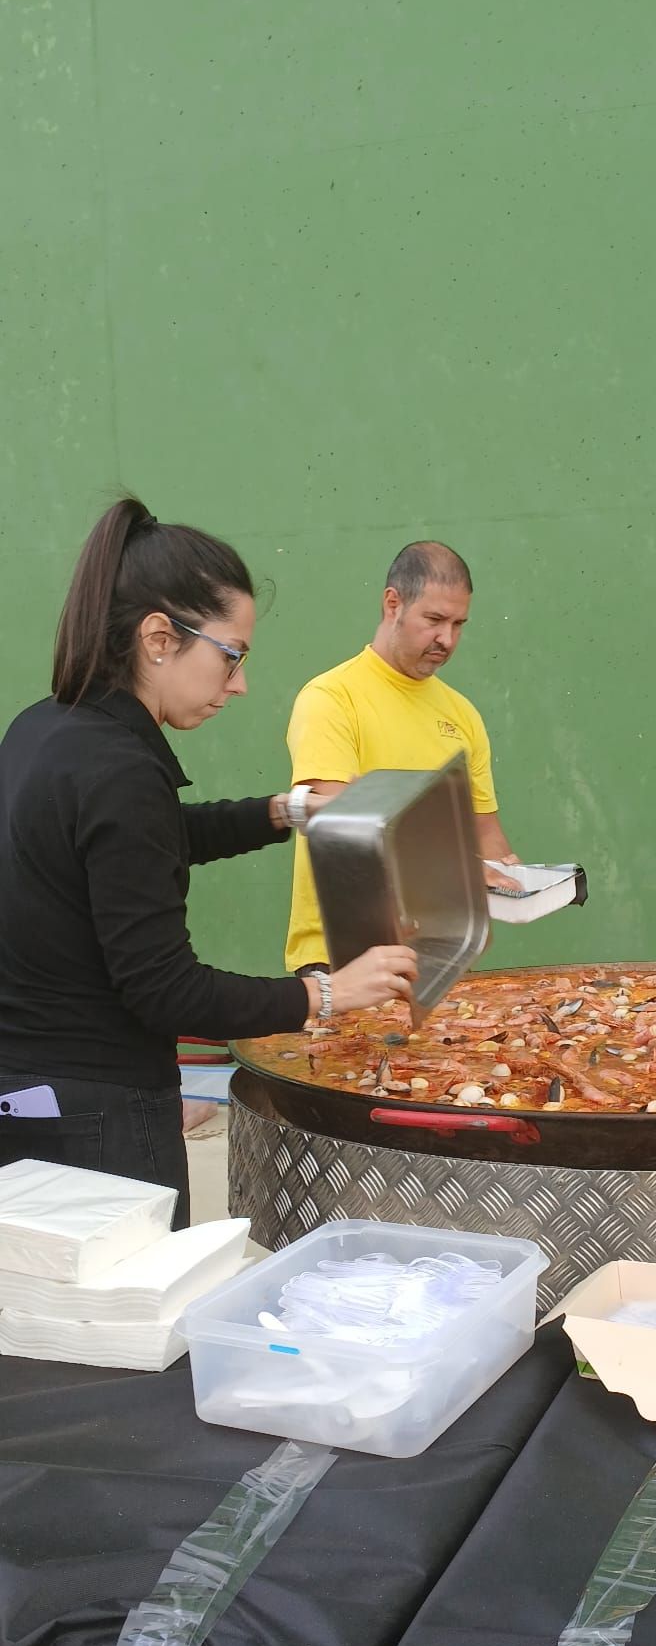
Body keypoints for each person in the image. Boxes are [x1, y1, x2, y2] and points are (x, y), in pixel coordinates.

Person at [0, 499, 417, 1226]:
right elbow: (166, 991)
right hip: (101, 1121)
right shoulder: (120, 771)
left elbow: (144, 844)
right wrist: (326, 994)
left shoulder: (44, 729)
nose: (240, 683)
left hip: (27, 1097)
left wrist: (285, 811)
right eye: (232, 655)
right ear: (159, 638)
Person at [285, 540, 520, 974]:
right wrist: (457, 875)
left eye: (459, 624)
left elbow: (485, 832)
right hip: (342, 960)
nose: (447, 638)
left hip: (440, 959)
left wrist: (516, 882)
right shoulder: (331, 699)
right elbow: (343, 834)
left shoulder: (463, 714)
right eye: (434, 620)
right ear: (393, 603)